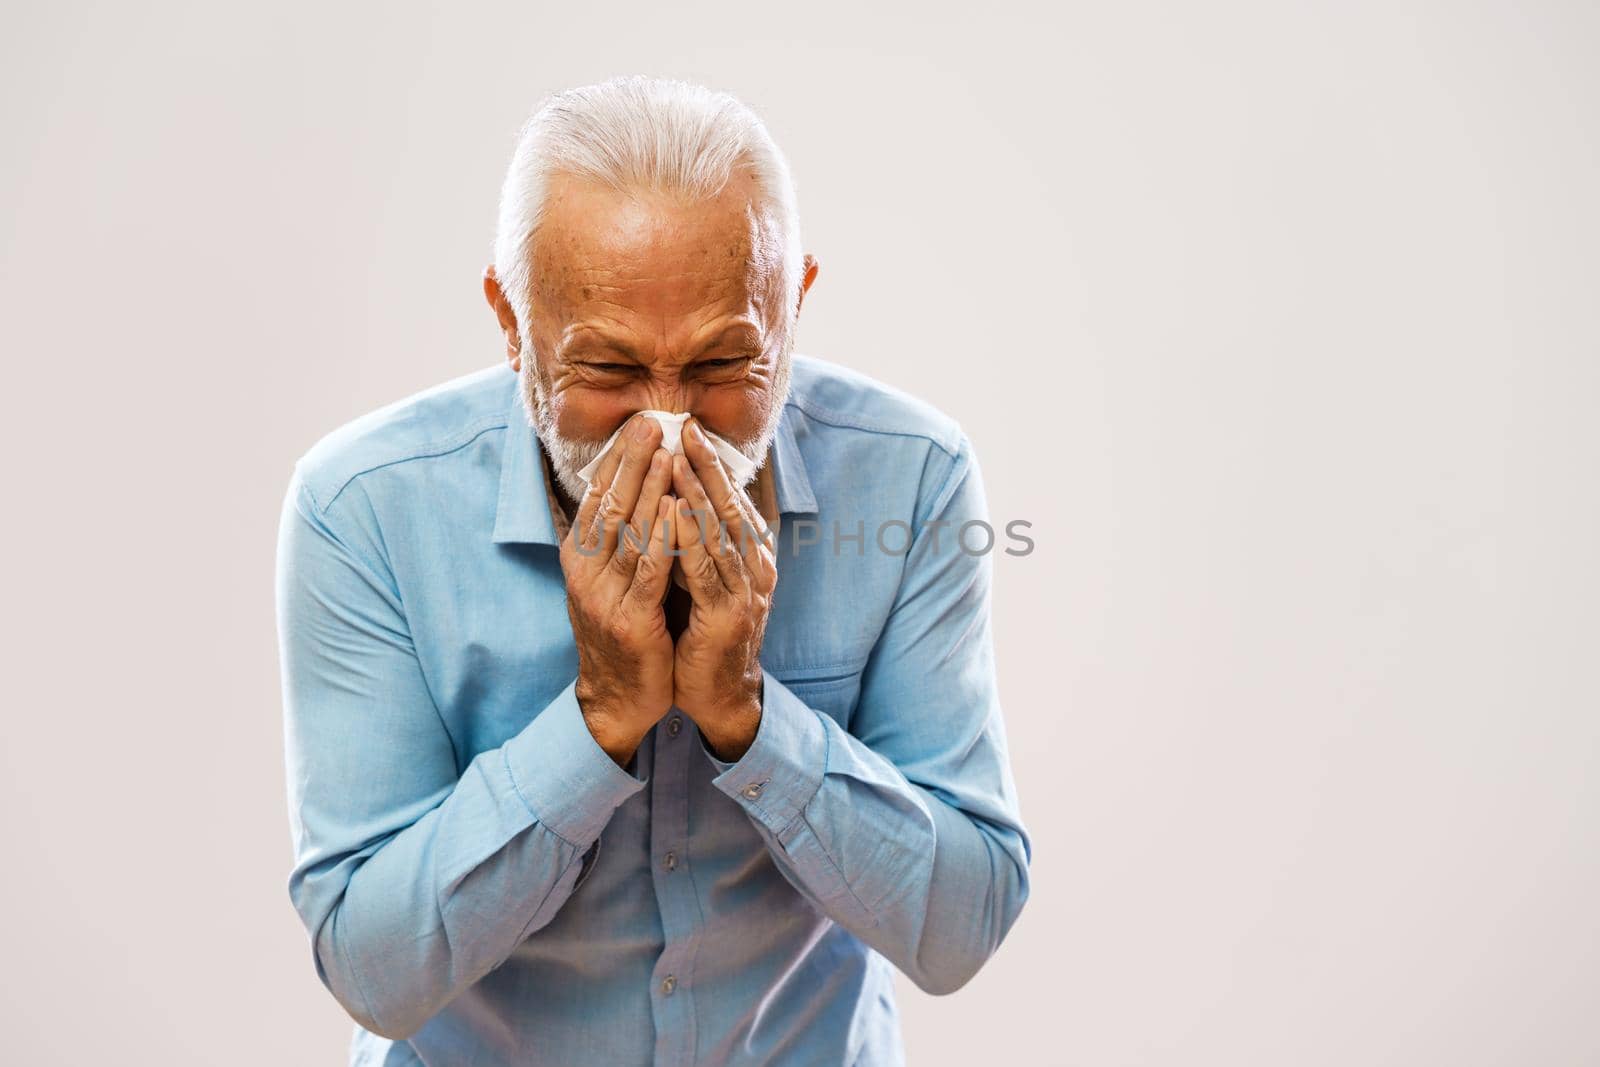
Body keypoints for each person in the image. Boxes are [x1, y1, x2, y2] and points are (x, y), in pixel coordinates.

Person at [276, 74, 1032, 1067]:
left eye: (723, 366)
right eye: (609, 371)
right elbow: (374, 968)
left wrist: (751, 720)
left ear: (793, 307)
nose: (668, 426)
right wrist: (597, 717)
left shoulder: (912, 476)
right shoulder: (362, 505)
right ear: (512, 323)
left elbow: (959, 927)